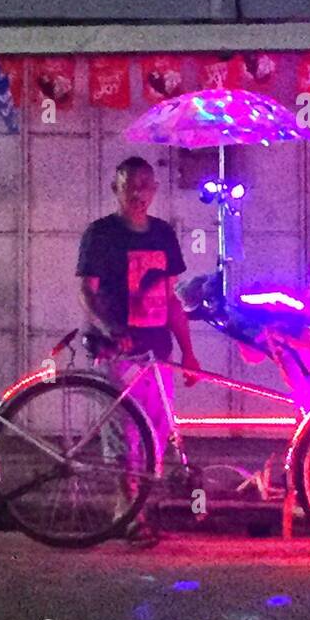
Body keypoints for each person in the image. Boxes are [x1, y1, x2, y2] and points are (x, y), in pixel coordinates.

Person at [76, 156, 200, 470]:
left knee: (157, 430)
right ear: (114, 188)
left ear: (155, 190)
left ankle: (142, 504)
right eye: (129, 186)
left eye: (145, 186)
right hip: (118, 350)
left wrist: (188, 353)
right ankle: (125, 505)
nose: (138, 193)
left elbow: (171, 298)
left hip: (157, 349)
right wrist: (110, 330)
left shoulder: (163, 234)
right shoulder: (100, 234)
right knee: (123, 430)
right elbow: (87, 292)